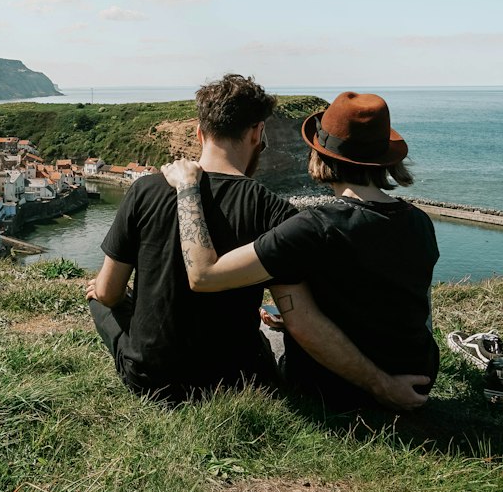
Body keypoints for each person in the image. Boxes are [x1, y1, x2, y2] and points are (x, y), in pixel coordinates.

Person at [87, 75, 413, 405]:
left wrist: (120, 299)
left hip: (150, 380)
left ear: (200, 133)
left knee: (97, 296)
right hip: (235, 379)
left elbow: (109, 292)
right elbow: (300, 316)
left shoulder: (145, 190)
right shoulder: (274, 211)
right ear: (257, 133)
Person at [160, 91, 436, 412]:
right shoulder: (419, 222)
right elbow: (387, 300)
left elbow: (204, 274)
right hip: (419, 378)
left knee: (266, 334)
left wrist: (188, 187)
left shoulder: (314, 227)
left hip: (339, 391)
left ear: (321, 155)